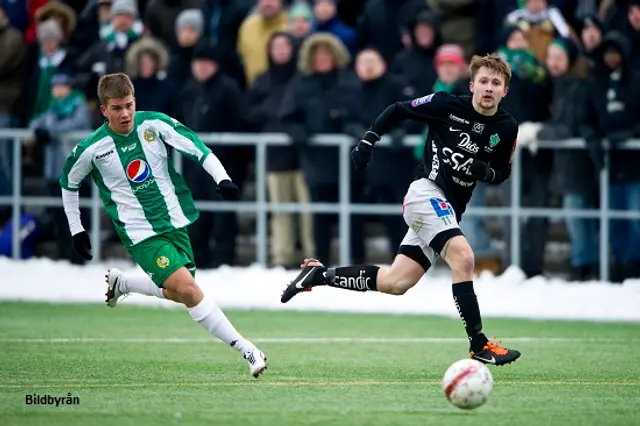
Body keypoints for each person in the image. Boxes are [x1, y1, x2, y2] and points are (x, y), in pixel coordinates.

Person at [280, 53, 521, 366]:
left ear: (505, 91)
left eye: (496, 83)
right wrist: (369, 140)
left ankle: (320, 274)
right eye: (484, 81)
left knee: (396, 282)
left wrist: (485, 172)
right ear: (472, 84)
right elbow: (398, 109)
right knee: (464, 257)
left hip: (448, 209)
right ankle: (479, 343)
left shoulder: (507, 127)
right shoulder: (447, 104)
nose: (489, 88)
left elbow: (502, 171)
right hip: (425, 194)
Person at [58, 73, 267, 378]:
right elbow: (68, 183)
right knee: (189, 289)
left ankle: (125, 284)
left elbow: (196, 146)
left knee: (179, 291)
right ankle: (247, 349)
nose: (125, 113)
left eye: (129, 105)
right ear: (104, 110)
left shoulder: (153, 124)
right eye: (117, 108)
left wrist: (221, 177)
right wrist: (76, 228)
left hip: (174, 219)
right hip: (139, 233)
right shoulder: (92, 148)